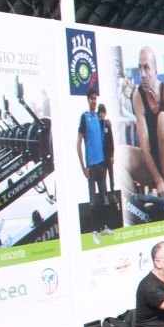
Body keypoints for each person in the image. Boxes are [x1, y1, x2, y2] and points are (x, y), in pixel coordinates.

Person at [131, 47, 164, 213]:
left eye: (146, 68)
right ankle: (135, 208)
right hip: (152, 162)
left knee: (163, 119)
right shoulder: (138, 96)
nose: (143, 74)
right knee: (121, 154)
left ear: (155, 70)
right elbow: (144, 147)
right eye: (140, 68)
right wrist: (157, 179)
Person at [77, 87, 107, 227]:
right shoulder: (84, 117)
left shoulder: (99, 118)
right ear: (88, 100)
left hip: (102, 164)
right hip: (91, 167)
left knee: (103, 198)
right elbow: (78, 144)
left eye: (95, 98)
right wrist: (83, 167)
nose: (94, 101)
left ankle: (104, 227)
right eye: (92, 98)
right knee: (93, 201)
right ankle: (95, 231)